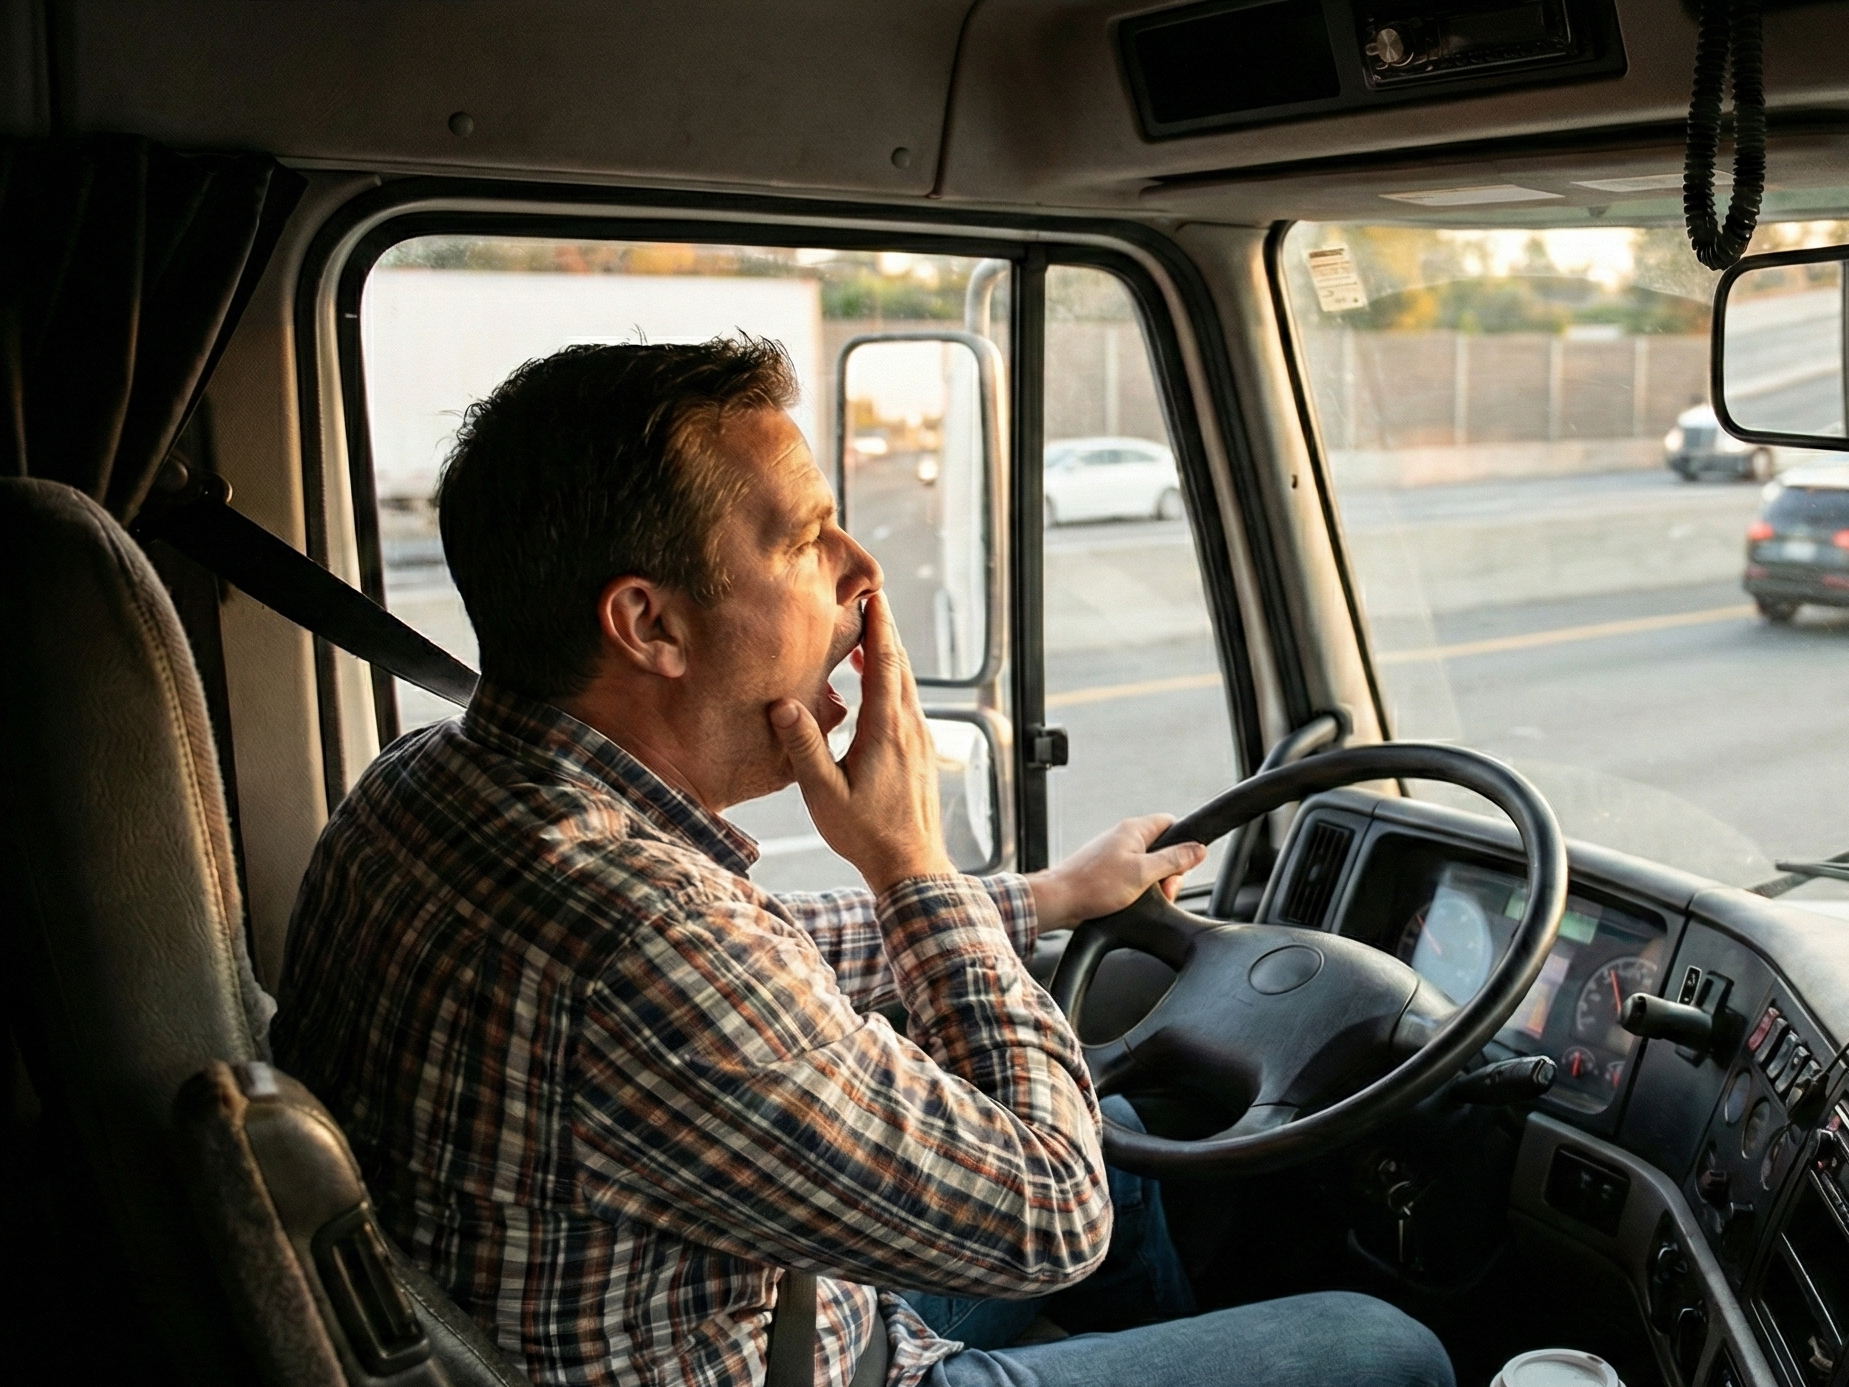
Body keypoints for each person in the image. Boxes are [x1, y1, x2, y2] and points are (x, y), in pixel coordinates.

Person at [272, 338, 1452, 1387]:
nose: (861, 568)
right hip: (812, 1357)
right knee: (1382, 1344)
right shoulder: (649, 946)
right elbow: (1053, 1211)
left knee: (1137, 1144)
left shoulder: (426, 784)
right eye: (803, 537)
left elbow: (750, 966)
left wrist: (1038, 897)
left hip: (725, 1305)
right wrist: (909, 864)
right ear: (651, 626)